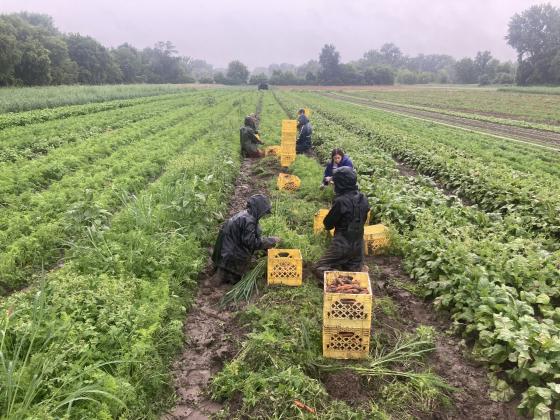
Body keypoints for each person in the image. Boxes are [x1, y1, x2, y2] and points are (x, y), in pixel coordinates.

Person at [313, 167, 370, 285]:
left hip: (342, 245)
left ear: (341, 184)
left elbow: (328, 225)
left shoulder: (341, 201)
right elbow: (363, 219)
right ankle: (358, 269)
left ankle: (338, 279)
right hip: (359, 246)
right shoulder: (364, 198)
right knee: (353, 273)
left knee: (318, 268)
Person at [211, 194, 280, 284]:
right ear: (259, 209)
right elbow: (252, 243)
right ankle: (225, 275)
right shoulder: (249, 221)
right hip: (231, 255)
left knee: (226, 274)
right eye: (264, 212)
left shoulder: (245, 215)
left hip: (223, 253)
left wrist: (265, 246)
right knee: (236, 279)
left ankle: (222, 273)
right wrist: (272, 240)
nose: (264, 215)